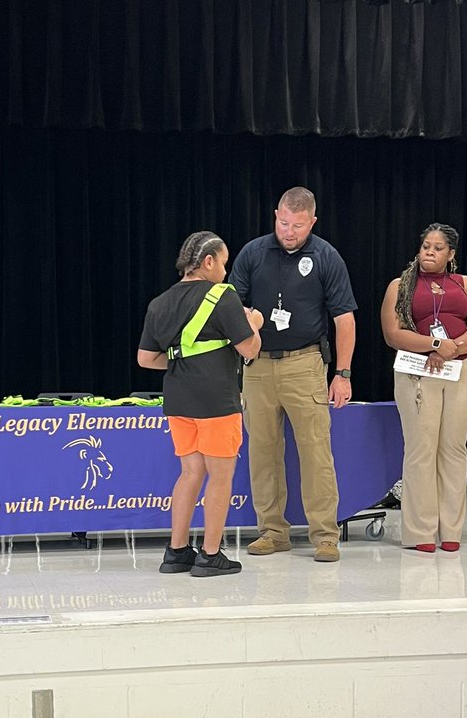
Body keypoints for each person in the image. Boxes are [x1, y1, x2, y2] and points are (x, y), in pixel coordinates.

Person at [229, 187, 356, 563]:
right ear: (275, 215)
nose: (289, 231)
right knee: (262, 452)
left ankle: (325, 535)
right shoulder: (253, 253)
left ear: (312, 222)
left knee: (316, 451)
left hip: (306, 363)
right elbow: (231, 308)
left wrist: (343, 373)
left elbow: (344, 319)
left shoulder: (326, 256)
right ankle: (272, 531)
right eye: (283, 223)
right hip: (258, 365)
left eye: (298, 226)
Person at [137, 231, 261, 577]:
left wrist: (185, 361)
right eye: (223, 262)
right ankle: (210, 555)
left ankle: (176, 552)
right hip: (216, 401)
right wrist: (254, 323)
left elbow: (146, 358)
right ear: (208, 262)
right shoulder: (223, 296)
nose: (225, 271)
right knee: (220, 477)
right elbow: (250, 349)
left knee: (190, 473)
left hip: (178, 400)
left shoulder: (159, 303)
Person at [380, 223, 467, 552]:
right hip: (418, 371)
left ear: (451, 254)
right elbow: (393, 334)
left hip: (460, 370)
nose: (430, 252)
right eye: (426, 246)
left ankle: (451, 529)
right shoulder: (400, 286)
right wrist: (435, 344)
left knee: (453, 448)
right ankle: (420, 532)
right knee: (421, 449)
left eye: (438, 248)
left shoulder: (466, 284)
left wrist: (451, 349)